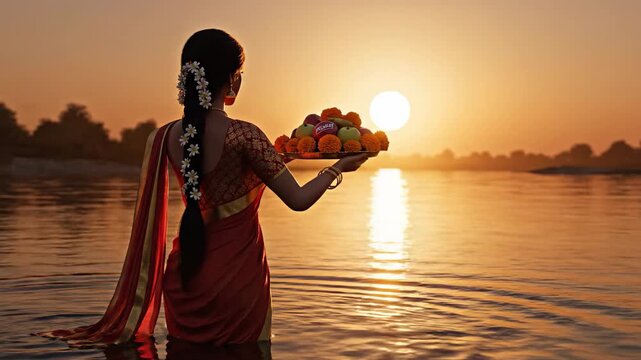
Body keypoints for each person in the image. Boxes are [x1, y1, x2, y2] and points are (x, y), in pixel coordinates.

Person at [35, 29, 368, 348]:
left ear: (186, 79)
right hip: (237, 279)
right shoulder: (246, 135)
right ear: (233, 79)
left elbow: (226, 179)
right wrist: (336, 168)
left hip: (185, 278)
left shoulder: (163, 137)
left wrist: (284, 157)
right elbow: (298, 199)